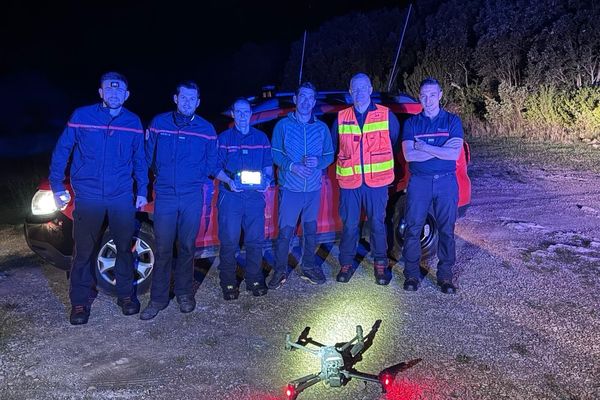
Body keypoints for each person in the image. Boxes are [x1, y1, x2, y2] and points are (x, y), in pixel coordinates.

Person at [49, 72, 148, 325]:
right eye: (109, 90)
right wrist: (57, 184)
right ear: (101, 93)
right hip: (89, 195)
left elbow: (140, 159)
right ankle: (80, 302)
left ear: (126, 95)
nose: (114, 95)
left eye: (119, 91)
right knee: (83, 250)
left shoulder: (134, 122)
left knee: (124, 248)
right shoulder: (82, 116)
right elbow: (63, 150)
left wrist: (142, 190)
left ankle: (126, 296)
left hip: (121, 196)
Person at [140, 81, 218, 320]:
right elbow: (147, 157)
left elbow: (212, 163)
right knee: (163, 248)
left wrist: (194, 176)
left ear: (198, 102)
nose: (187, 102)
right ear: (175, 98)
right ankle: (158, 299)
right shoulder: (159, 123)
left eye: (192, 99)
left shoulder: (207, 129)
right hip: (165, 196)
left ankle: (184, 293)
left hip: (192, 196)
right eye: (183, 98)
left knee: (186, 247)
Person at [331, 73, 400, 285]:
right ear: (350, 92)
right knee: (350, 225)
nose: (360, 92)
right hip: (350, 184)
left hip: (376, 183)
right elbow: (334, 147)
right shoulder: (341, 118)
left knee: (378, 225)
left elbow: (394, 143)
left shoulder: (387, 115)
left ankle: (381, 265)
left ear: (371, 89)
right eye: (355, 89)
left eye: (363, 88)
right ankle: (346, 264)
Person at [268, 82, 334, 289]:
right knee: (285, 232)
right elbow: (275, 152)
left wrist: (319, 162)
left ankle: (308, 267)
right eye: (302, 97)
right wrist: (292, 166)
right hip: (290, 189)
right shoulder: (283, 126)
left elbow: (329, 154)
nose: (306, 101)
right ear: (295, 99)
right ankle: (279, 271)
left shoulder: (321, 128)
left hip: (313, 190)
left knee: (310, 232)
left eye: (310, 98)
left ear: (314, 102)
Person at [401, 77, 464, 294]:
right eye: (424, 95)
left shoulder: (452, 121)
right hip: (419, 183)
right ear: (420, 97)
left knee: (447, 230)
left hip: (446, 181)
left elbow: (454, 153)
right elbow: (409, 155)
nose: (428, 99)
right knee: (413, 229)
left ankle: (445, 276)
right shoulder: (411, 123)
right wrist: (439, 150)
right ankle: (411, 275)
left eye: (432, 95)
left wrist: (425, 146)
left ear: (440, 95)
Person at [215, 98, 273, 299]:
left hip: (255, 198)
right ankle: (228, 282)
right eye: (237, 112)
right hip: (231, 197)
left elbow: (267, 166)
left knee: (255, 241)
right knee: (229, 241)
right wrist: (229, 181)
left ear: (251, 114)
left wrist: (266, 181)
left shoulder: (262, 138)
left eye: (245, 112)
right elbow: (215, 167)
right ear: (232, 114)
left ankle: (254, 279)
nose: (241, 116)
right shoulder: (223, 138)